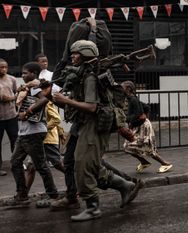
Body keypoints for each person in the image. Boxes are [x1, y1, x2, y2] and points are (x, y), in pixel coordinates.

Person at [52, 40, 143, 221]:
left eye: (76, 53)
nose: (72, 56)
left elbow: (92, 107)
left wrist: (66, 101)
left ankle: (93, 207)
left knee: (83, 164)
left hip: (94, 124)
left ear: (86, 54)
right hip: (84, 124)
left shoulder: (90, 77)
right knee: (88, 165)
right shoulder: (81, 73)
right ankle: (125, 185)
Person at [7, 62, 59, 206]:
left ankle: (53, 195)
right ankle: (22, 195)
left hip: (34, 133)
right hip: (24, 133)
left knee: (40, 165)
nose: (23, 75)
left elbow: (44, 99)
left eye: (25, 73)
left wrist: (28, 112)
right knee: (15, 163)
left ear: (33, 74)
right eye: (22, 73)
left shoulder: (36, 87)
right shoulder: (26, 89)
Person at [25, 81, 65, 203]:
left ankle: (75, 181)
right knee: (31, 167)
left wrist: (43, 129)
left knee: (58, 164)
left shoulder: (44, 103)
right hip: (39, 140)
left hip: (47, 139)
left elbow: (57, 119)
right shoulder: (33, 102)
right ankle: (23, 194)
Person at [121, 81, 173, 174]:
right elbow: (146, 107)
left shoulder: (133, 99)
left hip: (143, 127)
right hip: (139, 126)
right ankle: (144, 162)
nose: (121, 89)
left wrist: (128, 119)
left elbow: (138, 114)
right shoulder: (131, 99)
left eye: (122, 87)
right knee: (127, 147)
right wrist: (143, 118)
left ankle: (165, 164)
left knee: (147, 148)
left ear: (128, 89)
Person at [0, 58, 18, 176]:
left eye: (5, 67)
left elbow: (18, 94)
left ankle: (17, 163)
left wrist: (12, 98)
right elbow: (2, 98)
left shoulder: (12, 79)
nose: (4, 69)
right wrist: (11, 98)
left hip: (12, 116)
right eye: (1, 67)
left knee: (15, 140)